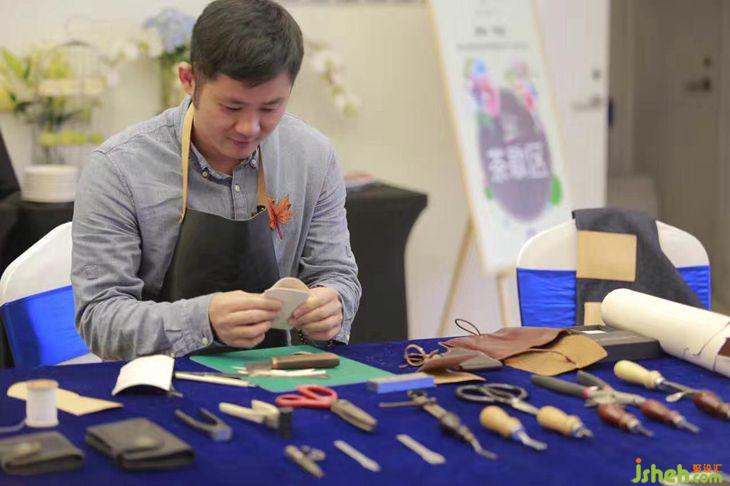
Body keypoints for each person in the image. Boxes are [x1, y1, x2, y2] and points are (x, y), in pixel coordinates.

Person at [71, 0, 361, 360]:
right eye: (231, 107)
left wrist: (332, 304)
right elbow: (99, 318)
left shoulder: (312, 156)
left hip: (281, 375)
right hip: (159, 380)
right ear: (188, 80)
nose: (249, 128)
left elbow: (336, 275)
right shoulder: (118, 168)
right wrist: (203, 320)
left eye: (270, 108)